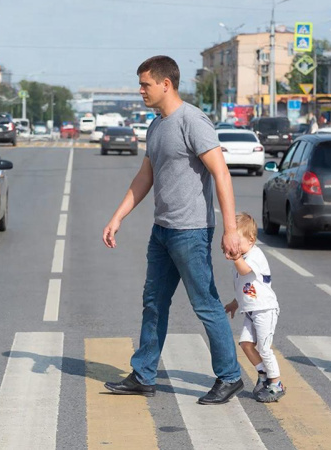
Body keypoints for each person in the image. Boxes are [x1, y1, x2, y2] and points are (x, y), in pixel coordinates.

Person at [102, 55, 243, 405]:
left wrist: (230, 229)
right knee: (153, 303)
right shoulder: (156, 125)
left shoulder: (192, 121)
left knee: (205, 305)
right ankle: (144, 374)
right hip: (162, 231)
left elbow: (221, 173)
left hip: (191, 231)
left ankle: (230, 376)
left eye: (145, 84)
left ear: (166, 84)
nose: (140, 91)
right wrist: (118, 216)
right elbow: (145, 177)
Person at [223, 213, 284, 402]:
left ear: (251, 239)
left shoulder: (255, 255)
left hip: (265, 309)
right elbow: (245, 287)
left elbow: (245, 270)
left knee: (265, 349)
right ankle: (263, 374)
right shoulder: (242, 257)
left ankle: (276, 384)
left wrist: (235, 256)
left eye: (237, 242)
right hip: (251, 310)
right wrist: (235, 303)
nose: (234, 247)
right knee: (246, 344)